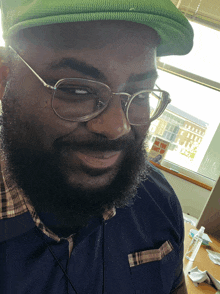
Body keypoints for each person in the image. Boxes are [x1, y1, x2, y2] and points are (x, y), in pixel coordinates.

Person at [0, 0, 193, 293]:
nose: (117, 127)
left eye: (138, 94)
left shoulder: (158, 203)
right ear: (5, 82)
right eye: (76, 89)